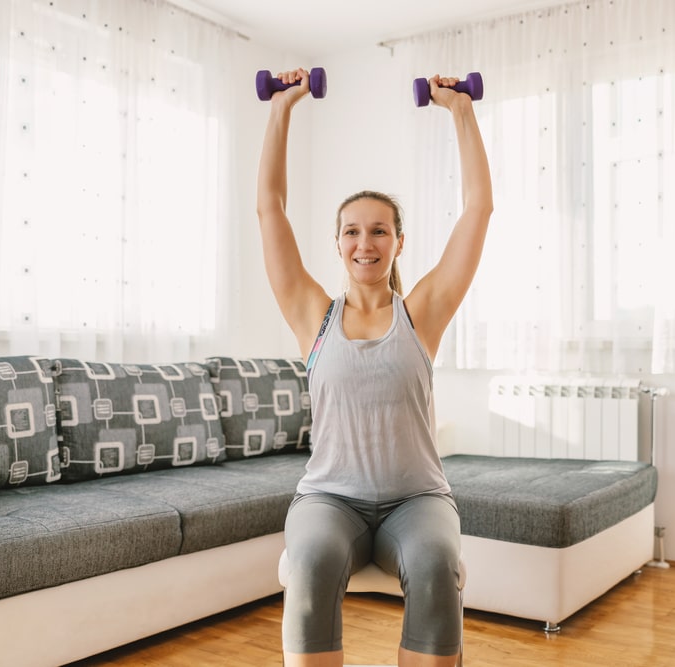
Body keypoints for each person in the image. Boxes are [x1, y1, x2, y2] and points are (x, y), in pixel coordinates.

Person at [256, 67, 493, 667]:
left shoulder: (422, 315)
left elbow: (478, 211)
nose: (367, 243)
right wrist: (282, 109)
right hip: (330, 500)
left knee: (439, 565)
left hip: (417, 500)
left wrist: (460, 111)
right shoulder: (313, 315)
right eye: (353, 231)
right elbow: (270, 211)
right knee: (308, 564)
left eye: (380, 231)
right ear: (337, 243)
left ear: (398, 242)